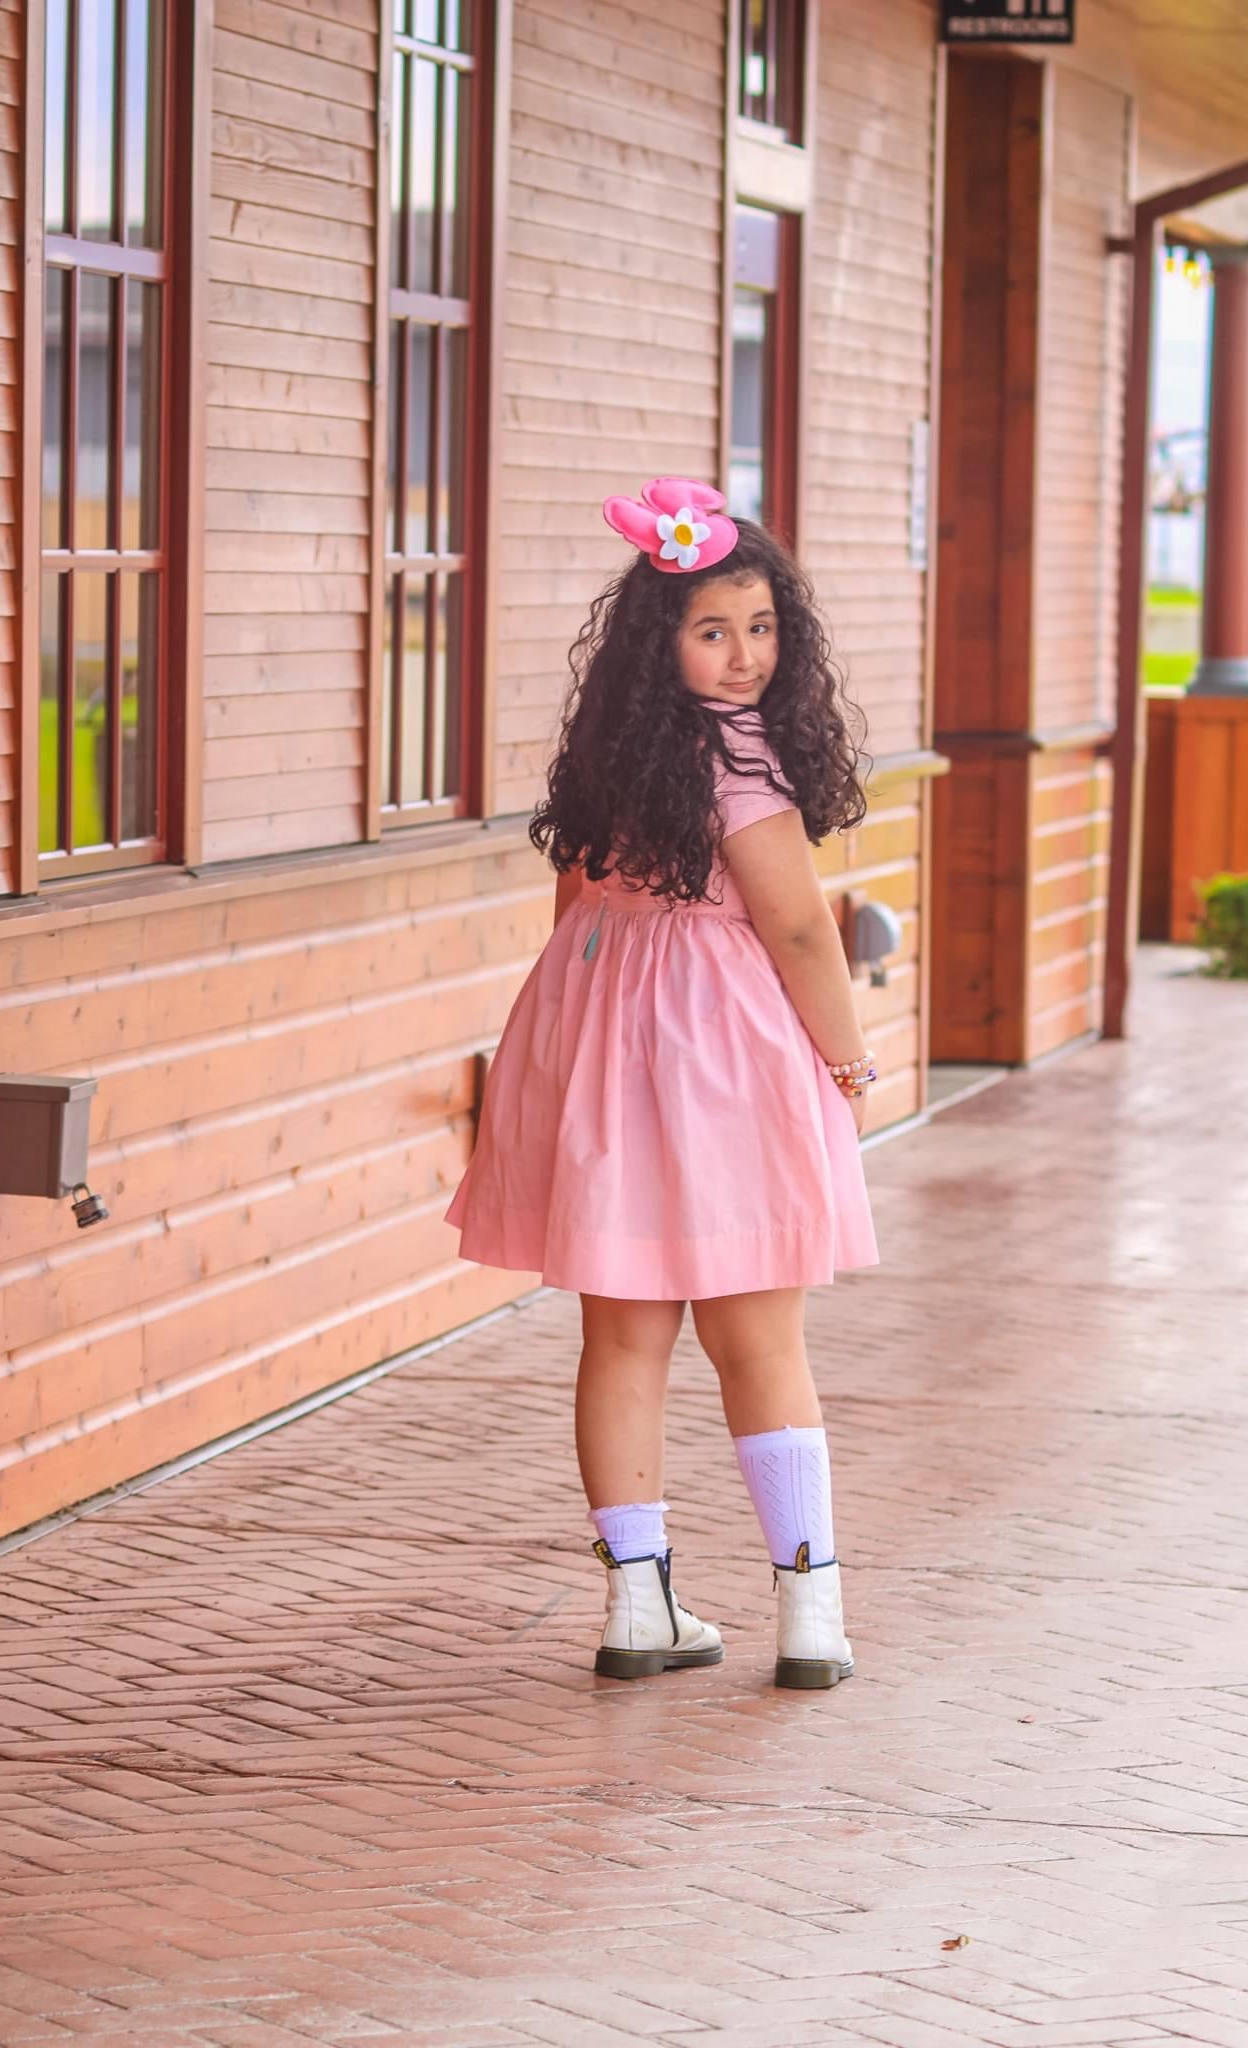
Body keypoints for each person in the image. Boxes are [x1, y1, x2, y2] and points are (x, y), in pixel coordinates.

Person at [444, 477, 879, 1690]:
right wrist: (848, 1062)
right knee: (761, 1339)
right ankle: (811, 1615)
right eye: (714, 630)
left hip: (603, 1034)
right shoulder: (742, 753)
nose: (745, 656)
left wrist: (568, 1055)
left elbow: (574, 907)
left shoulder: (613, 749)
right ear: (662, 640)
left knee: (622, 1338)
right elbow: (798, 927)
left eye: (761, 626)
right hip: (723, 1049)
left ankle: (640, 1606)